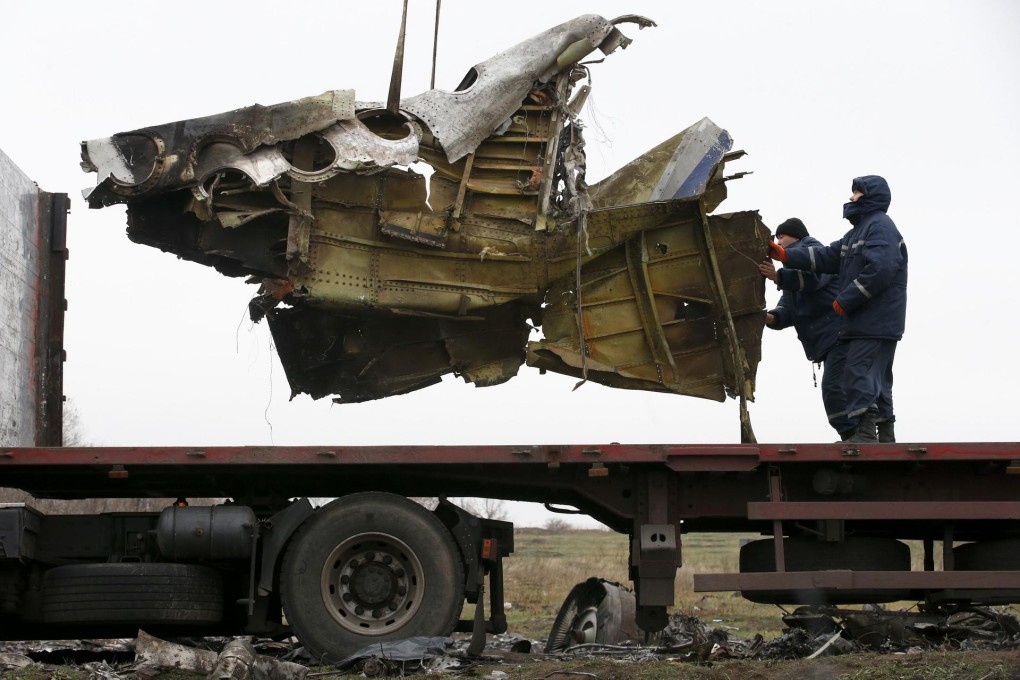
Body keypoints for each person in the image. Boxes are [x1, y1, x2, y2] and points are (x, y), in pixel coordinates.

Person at [767, 176, 907, 443]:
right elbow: (828, 257)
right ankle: (885, 436)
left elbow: (882, 269)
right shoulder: (858, 232)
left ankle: (864, 434)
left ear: (869, 197)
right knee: (876, 377)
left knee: (856, 372)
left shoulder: (879, 227)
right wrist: (784, 256)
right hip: (869, 320)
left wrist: (847, 299)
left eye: (856, 193)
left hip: (873, 318)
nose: (851, 197)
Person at [758, 218, 855, 440]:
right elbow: (790, 305)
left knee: (834, 387)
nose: (778, 241)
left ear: (797, 237)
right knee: (840, 387)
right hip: (831, 338)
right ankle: (853, 435)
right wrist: (773, 318)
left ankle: (854, 435)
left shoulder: (815, 252)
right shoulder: (792, 269)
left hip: (839, 334)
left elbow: (813, 280)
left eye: (782, 236)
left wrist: (777, 276)